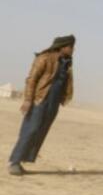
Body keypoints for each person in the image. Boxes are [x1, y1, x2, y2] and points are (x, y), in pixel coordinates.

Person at [8, 35, 75, 176]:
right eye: (70, 47)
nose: (73, 49)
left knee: (40, 132)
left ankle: (21, 162)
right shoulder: (44, 58)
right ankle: (14, 162)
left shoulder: (67, 62)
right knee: (31, 129)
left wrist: (65, 97)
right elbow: (31, 79)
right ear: (62, 47)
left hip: (54, 102)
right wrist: (28, 100)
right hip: (40, 100)